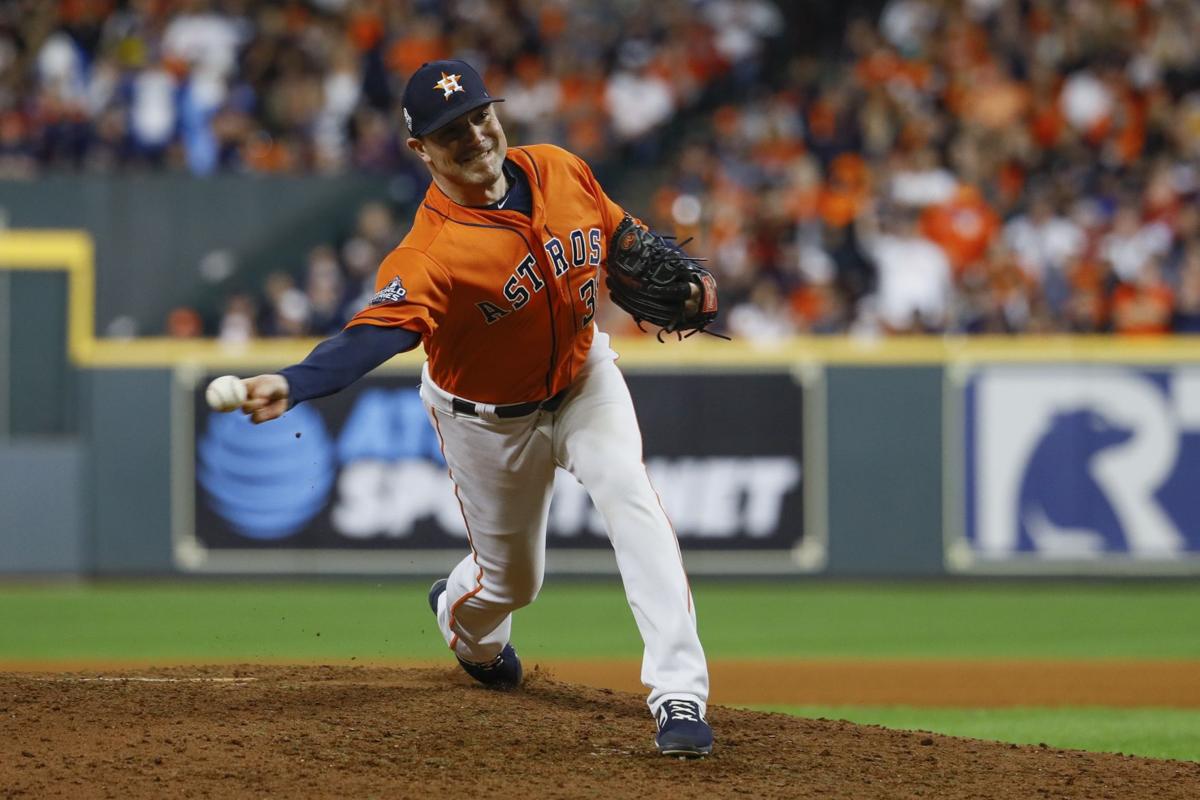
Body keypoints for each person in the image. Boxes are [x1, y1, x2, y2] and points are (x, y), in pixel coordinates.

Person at [237, 60, 714, 758]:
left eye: (478, 117)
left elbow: (618, 234)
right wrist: (295, 382)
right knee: (513, 581)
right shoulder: (430, 251)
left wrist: (688, 283)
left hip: (585, 380)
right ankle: (466, 624)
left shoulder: (561, 169)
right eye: (449, 132)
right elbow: (376, 334)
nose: (473, 136)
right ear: (420, 150)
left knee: (629, 492)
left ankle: (679, 693)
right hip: (487, 419)